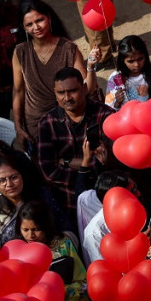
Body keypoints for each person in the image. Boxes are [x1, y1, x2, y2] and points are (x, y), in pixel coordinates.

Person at [13, 0, 94, 150]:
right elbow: (18, 92)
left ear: (49, 18)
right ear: (23, 28)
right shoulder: (20, 52)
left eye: (39, 20)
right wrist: (19, 128)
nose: (36, 27)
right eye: (29, 25)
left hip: (70, 119)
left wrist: (91, 68)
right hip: (36, 124)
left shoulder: (68, 49)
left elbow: (86, 88)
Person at [35, 68, 112, 217]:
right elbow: (49, 171)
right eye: (61, 93)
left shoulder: (105, 115)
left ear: (84, 88)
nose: (67, 98)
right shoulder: (47, 123)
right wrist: (91, 166)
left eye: (72, 91)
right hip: (68, 203)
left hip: (105, 198)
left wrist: (67, 162)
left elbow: (113, 161)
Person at [105, 35, 151, 109]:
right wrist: (117, 102)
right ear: (122, 61)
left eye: (140, 59)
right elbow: (108, 110)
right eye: (131, 61)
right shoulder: (115, 79)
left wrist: (147, 98)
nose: (136, 64)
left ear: (145, 56)